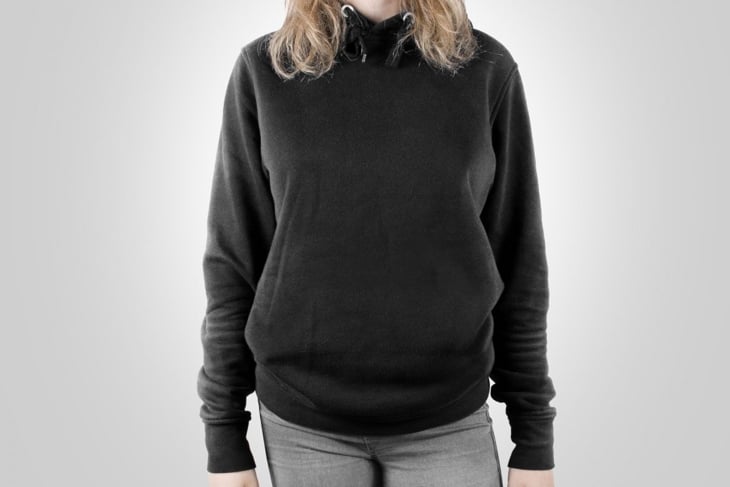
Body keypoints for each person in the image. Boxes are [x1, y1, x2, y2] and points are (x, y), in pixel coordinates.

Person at [196, 1, 557, 486]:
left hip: (448, 417)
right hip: (304, 420)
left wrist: (534, 439)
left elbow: (519, 258)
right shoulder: (266, 69)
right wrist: (224, 439)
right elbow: (233, 261)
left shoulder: (484, 68)